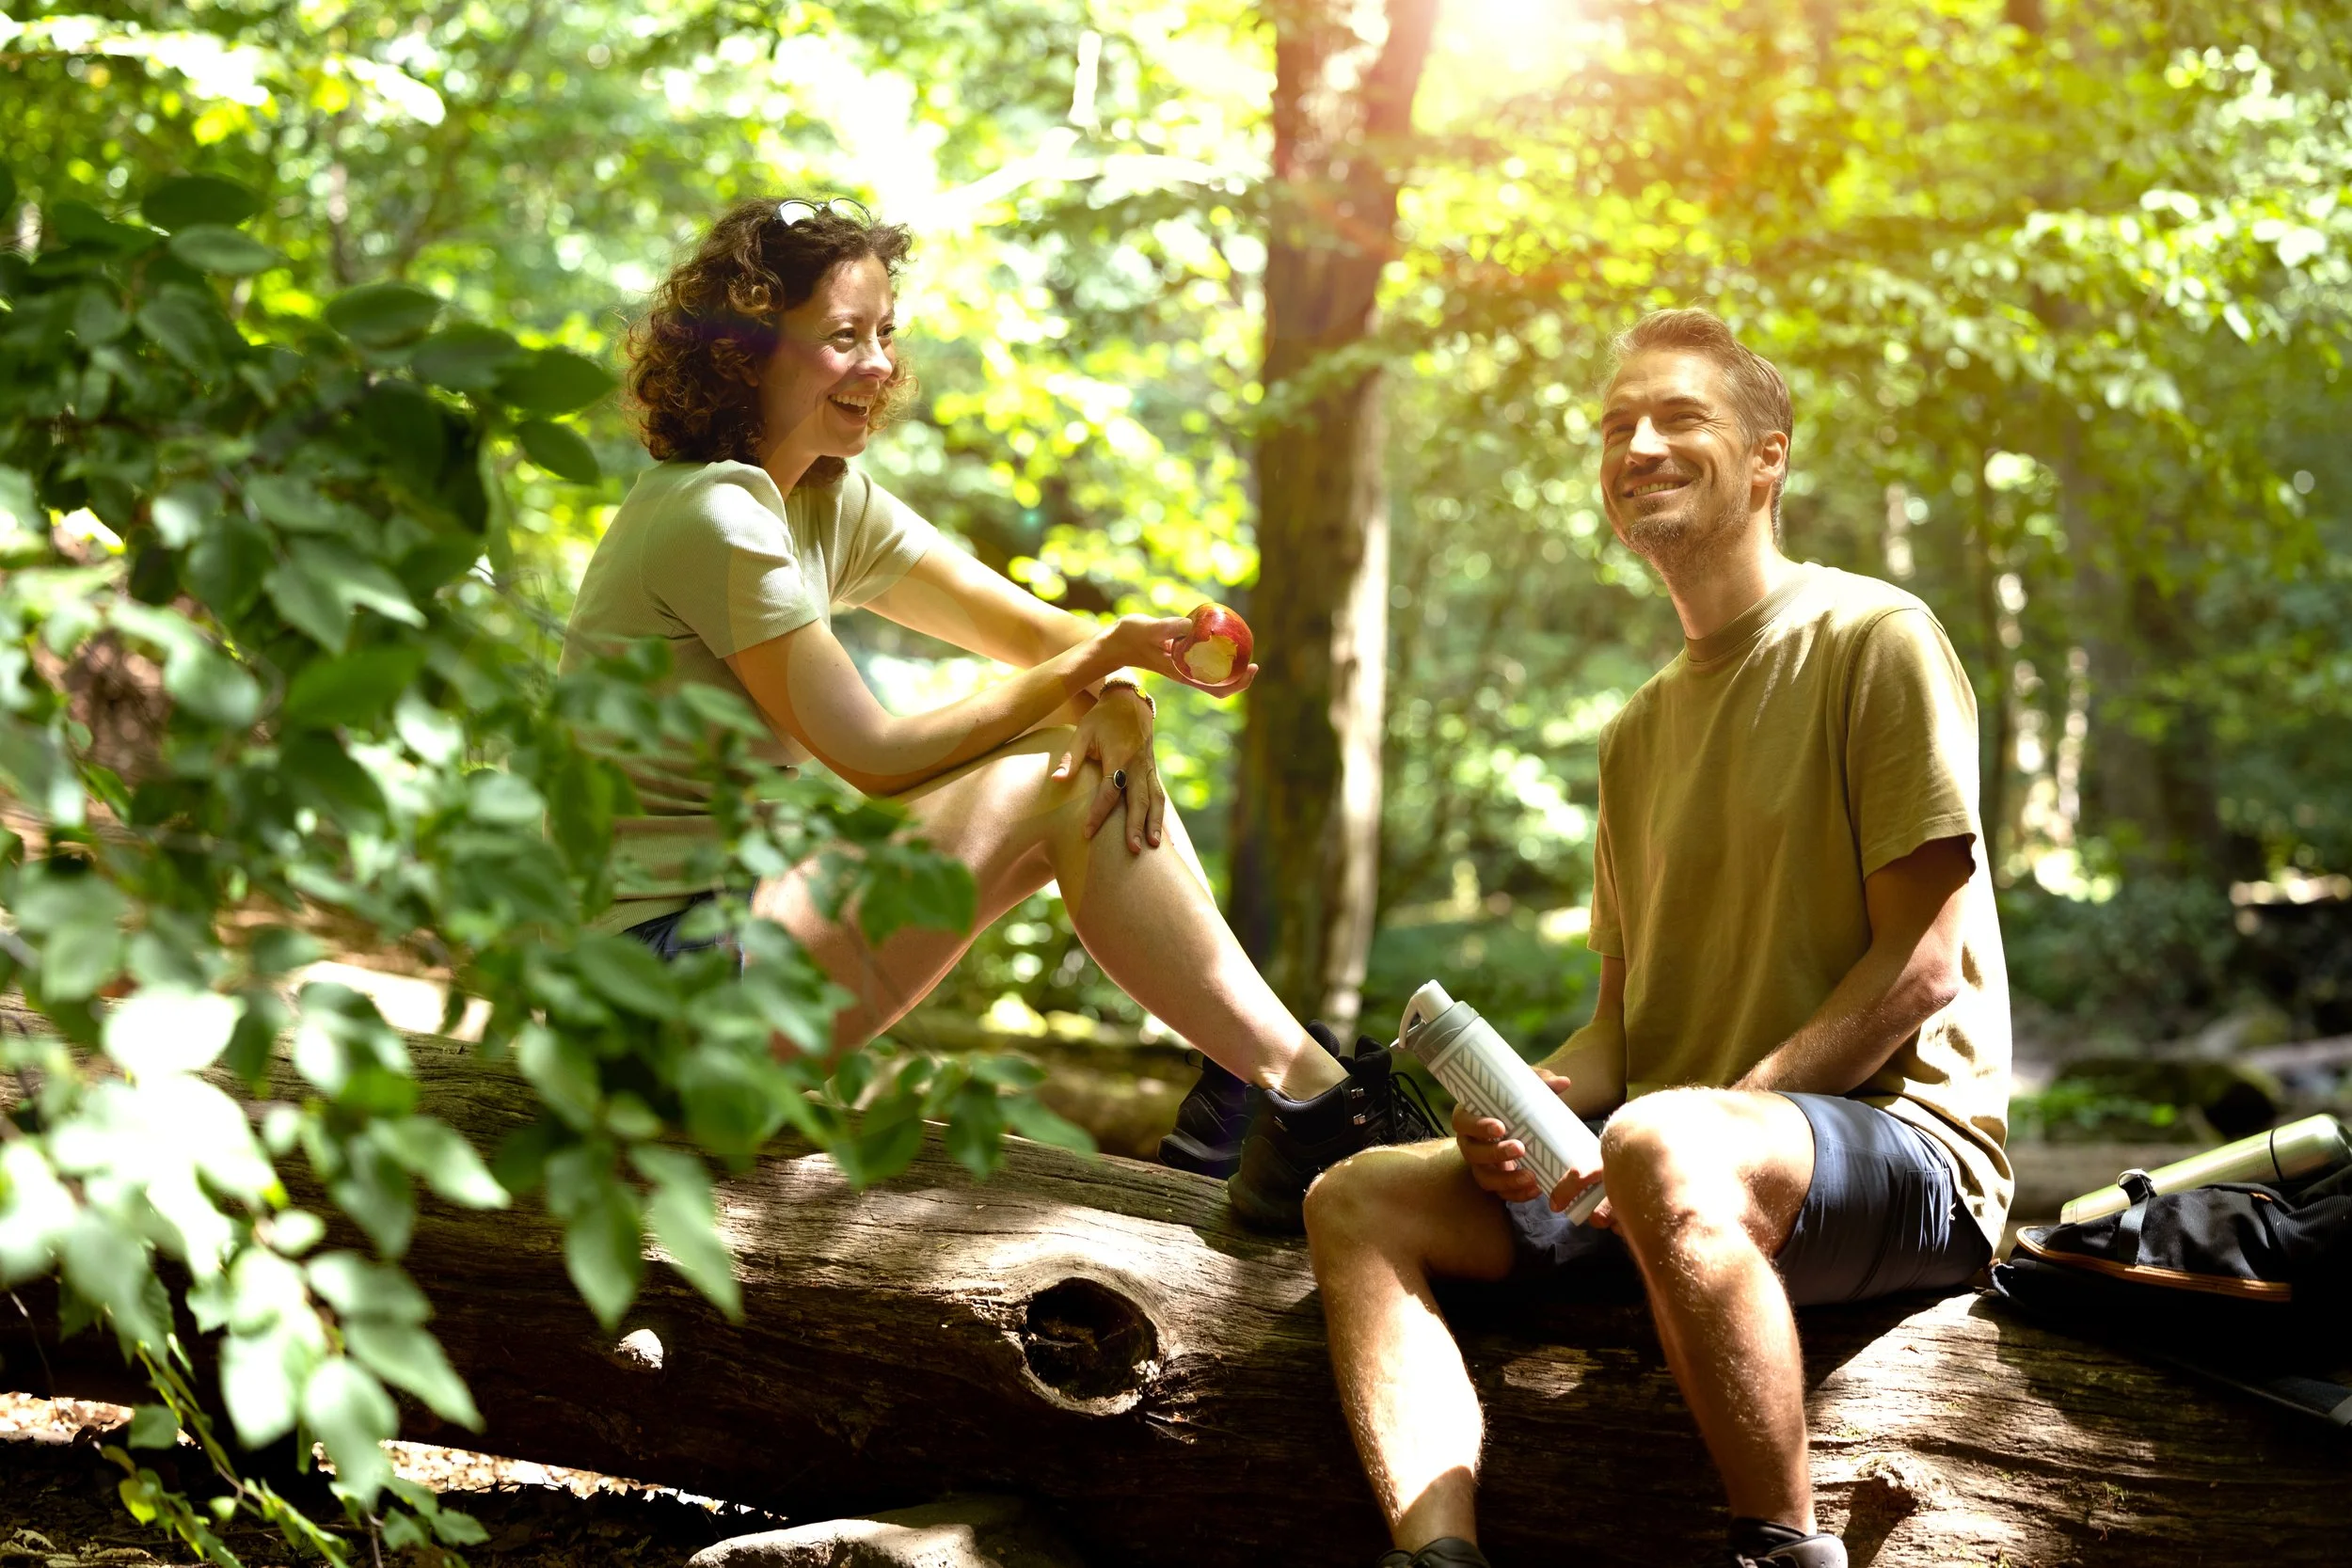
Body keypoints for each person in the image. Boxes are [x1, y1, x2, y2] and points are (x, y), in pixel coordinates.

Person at [1301, 309, 2012, 1568]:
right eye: (1617, 426)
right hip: (1667, 1165)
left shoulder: (1872, 638)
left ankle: (1783, 1547)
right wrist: (1527, 1111)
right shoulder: (1635, 731)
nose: (1639, 444)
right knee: (1355, 1196)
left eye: (1681, 418)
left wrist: (1706, 1122)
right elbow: (1622, 1025)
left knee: (1665, 1140)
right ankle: (1437, 1550)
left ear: (1766, 458)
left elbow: (1921, 969)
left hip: (1907, 1152)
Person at [560, 197, 1431, 1222]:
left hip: (742, 953)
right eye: (844, 336)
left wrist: (1116, 691)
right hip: (651, 991)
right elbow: (872, 752)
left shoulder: (823, 499)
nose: (879, 364)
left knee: (1077, 756)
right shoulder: (711, 512)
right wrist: (1096, 666)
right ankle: (1308, 1096)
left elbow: (1038, 633)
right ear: (745, 352)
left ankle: (1279, 1093)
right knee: (1047, 774)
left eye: (885, 333)